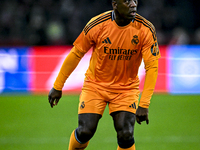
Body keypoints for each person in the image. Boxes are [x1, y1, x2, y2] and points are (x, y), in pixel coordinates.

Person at [48, 0, 160, 149]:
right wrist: (57, 86)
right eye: (127, 1)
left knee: (126, 134)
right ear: (115, 4)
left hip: (126, 89)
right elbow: (76, 54)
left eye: (134, 0)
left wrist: (144, 104)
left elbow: (152, 67)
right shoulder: (98, 24)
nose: (133, 4)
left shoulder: (145, 29)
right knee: (85, 131)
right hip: (96, 85)